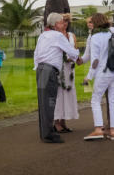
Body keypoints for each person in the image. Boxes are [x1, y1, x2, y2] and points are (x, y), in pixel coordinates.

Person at [34, 13, 79, 143]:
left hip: (41, 69)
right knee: (49, 102)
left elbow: (36, 54)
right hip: (49, 70)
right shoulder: (58, 35)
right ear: (55, 24)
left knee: (43, 103)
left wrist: (37, 66)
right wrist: (78, 55)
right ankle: (49, 134)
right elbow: (71, 51)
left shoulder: (42, 35)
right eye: (60, 22)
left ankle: (45, 132)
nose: (63, 24)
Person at [83, 13, 114, 141]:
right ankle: (112, 131)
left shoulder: (95, 37)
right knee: (113, 101)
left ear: (95, 23)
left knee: (95, 100)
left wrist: (89, 77)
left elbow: (95, 61)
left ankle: (98, 129)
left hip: (103, 74)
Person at [54, 14, 79, 133]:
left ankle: (64, 121)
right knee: (58, 94)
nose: (65, 24)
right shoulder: (55, 36)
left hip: (69, 69)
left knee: (68, 94)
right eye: (63, 21)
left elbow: (76, 50)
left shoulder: (72, 36)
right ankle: (56, 122)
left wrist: (77, 59)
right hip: (59, 68)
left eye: (67, 22)